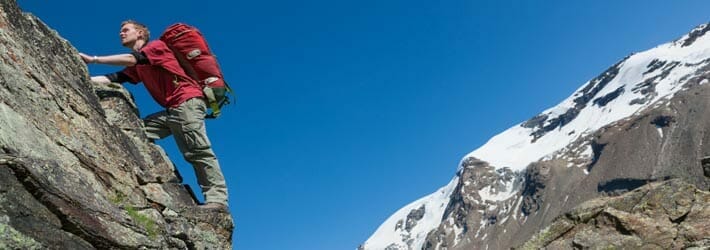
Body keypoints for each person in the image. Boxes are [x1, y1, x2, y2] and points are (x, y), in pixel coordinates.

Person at [80, 20, 228, 210]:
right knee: (136, 132)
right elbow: (116, 78)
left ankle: (217, 200)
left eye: (126, 30)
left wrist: (93, 59)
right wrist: (82, 75)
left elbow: (134, 59)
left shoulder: (156, 47)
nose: (121, 33)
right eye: (121, 31)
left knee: (197, 151)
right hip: (172, 110)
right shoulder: (140, 63)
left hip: (186, 102)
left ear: (140, 33)